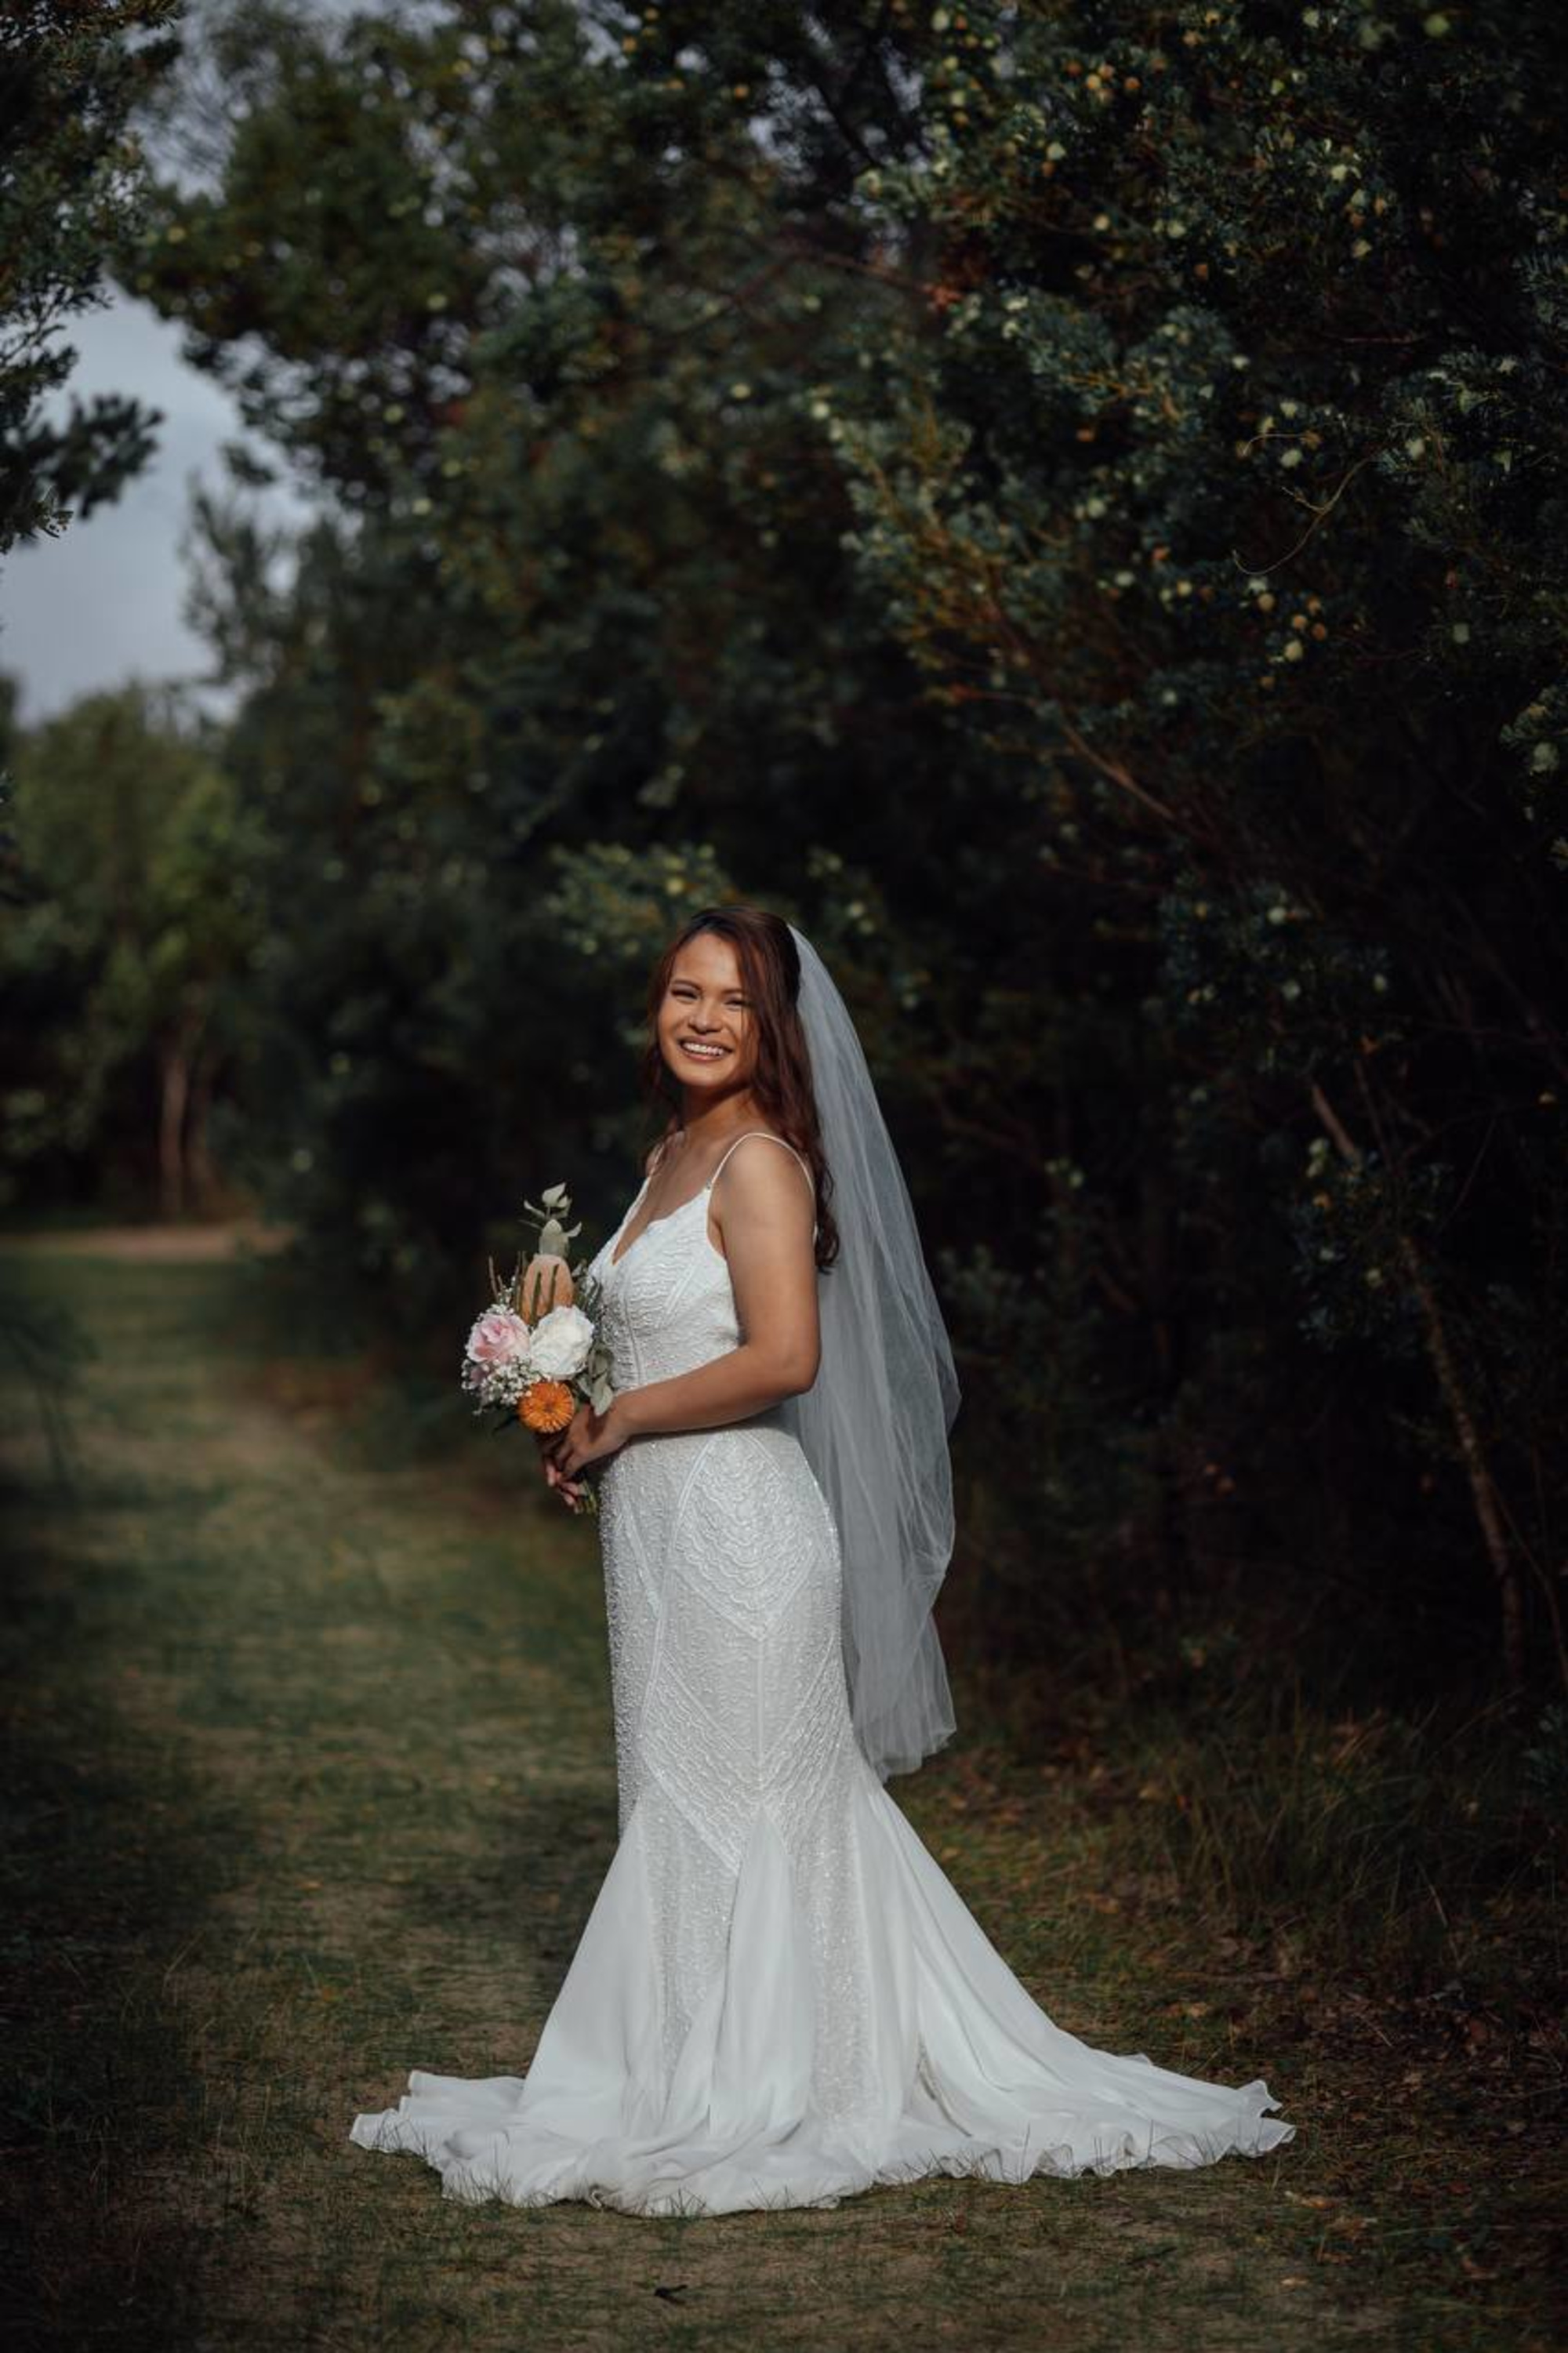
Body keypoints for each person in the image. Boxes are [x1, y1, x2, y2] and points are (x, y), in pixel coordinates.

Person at [350, 905, 1294, 2215]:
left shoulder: (761, 1164)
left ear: (772, 1026)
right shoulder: (668, 1149)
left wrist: (622, 1414)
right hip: (656, 1540)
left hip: (745, 1538)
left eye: (732, 1001)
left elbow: (784, 1358)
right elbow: (661, 1342)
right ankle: (684, 2051)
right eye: (683, 991)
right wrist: (568, 1412)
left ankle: (786, 2073)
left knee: (757, 1805)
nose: (700, 1017)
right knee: (675, 1793)